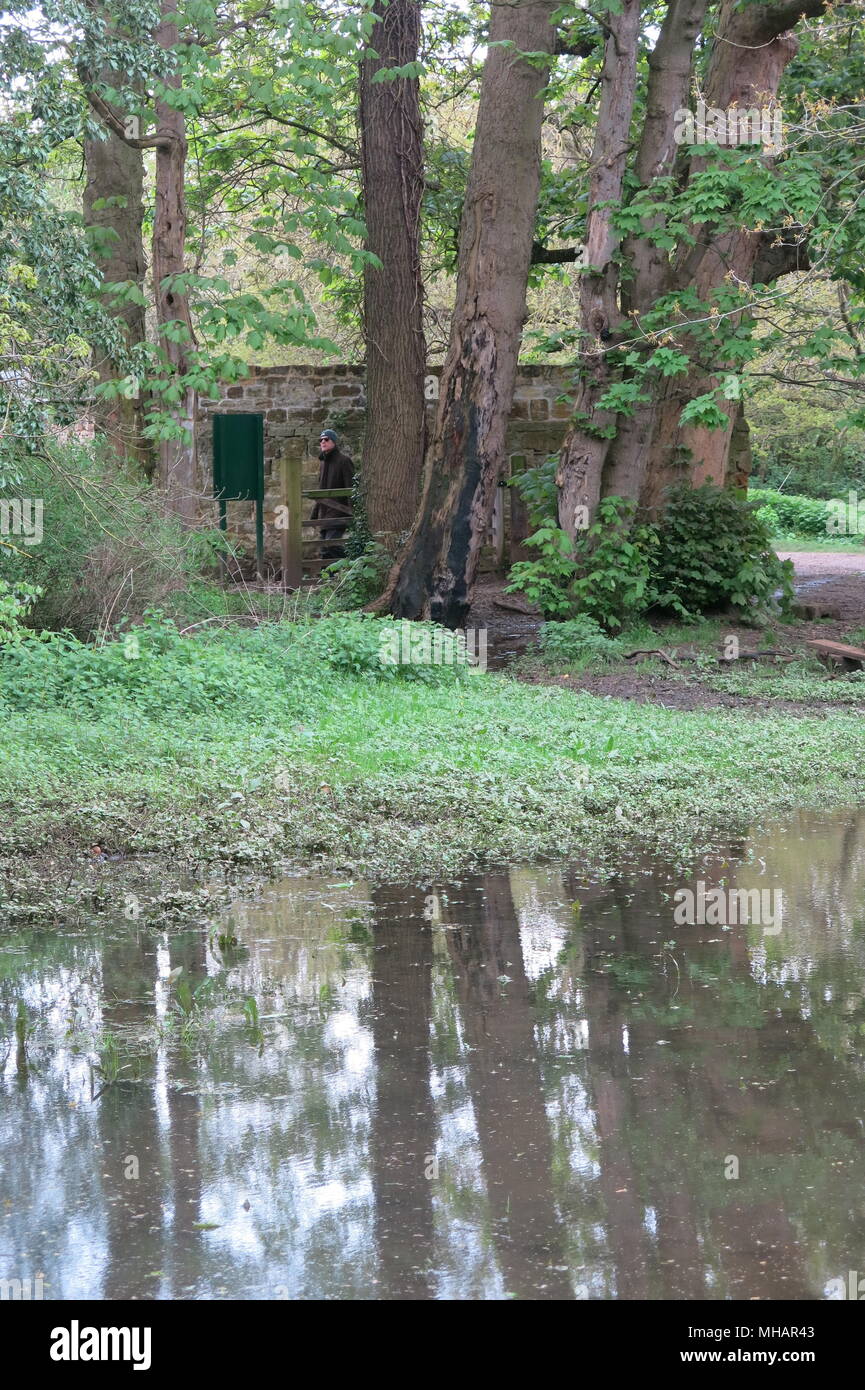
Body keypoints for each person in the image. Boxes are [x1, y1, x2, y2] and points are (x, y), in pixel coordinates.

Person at [311, 428, 354, 560]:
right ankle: (329, 578)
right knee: (325, 551)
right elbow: (321, 489)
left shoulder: (344, 461)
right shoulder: (323, 463)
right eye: (321, 440)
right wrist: (314, 514)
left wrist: (353, 510)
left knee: (331, 545)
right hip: (325, 513)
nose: (323, 442)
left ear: (334, 442)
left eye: (326, 439)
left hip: (339, 511)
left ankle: (355, 561)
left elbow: (350, 487)